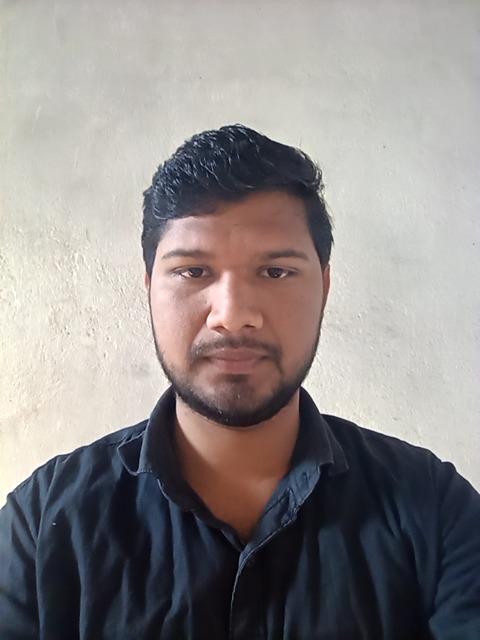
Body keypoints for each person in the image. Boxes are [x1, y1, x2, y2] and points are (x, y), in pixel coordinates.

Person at [0, 124, 478, 639]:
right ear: (149, 287)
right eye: (193, 272)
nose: (231, 316)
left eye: (275, 272)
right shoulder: (41, 523)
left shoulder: (436, 509)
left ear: (324, 286)